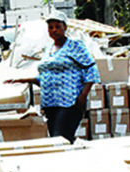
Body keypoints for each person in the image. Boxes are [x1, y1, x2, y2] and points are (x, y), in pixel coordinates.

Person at [11, 10, 98, 143]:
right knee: (56, 140)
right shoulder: (48, 48)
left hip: (69, 102)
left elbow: (92, 70)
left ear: (65, 28)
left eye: (58, 26)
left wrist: (83, 96)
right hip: (50, 104)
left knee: (60, 139)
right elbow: (46, 77)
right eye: (50, 27)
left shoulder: (75, 46)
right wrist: (25, 79)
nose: (54, 30)